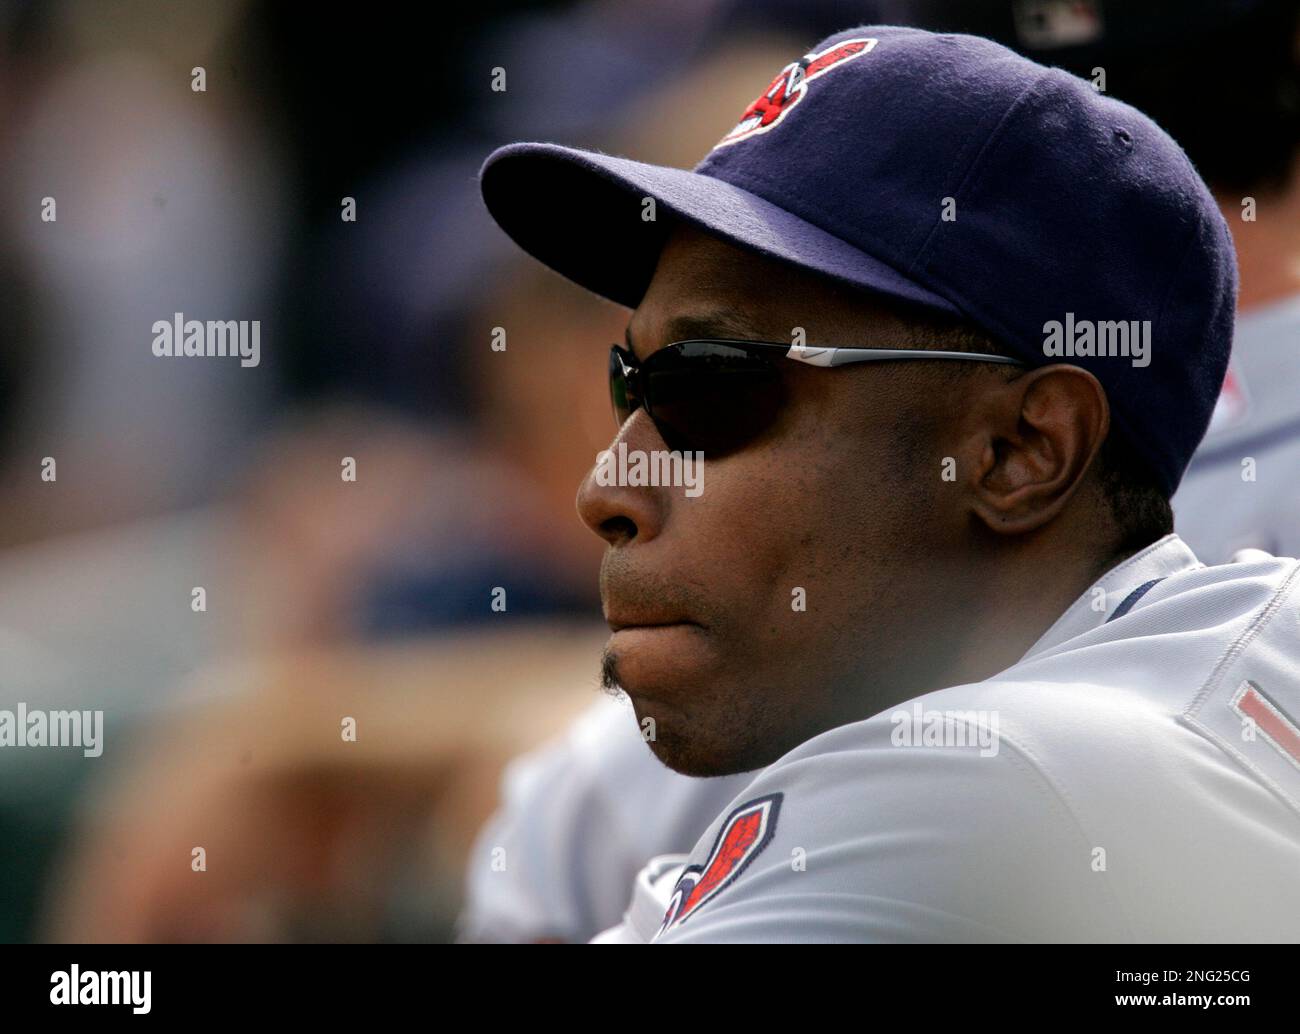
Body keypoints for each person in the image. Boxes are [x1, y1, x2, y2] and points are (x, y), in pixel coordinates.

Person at [469, 24, 1300, 942]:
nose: (608, 490)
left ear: (1021, 450)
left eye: (708, 384)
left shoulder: (970, 788)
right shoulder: (1251, 638)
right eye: (633, 381)